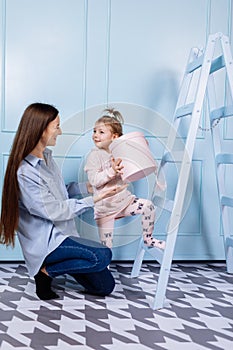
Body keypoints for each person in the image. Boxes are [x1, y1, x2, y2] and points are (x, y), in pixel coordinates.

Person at [0, 102, 121, 300]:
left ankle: (60, 265)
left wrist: (90, 188)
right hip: (47, 244)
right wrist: (95, 199)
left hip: (65, 235)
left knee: (104, 287)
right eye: (56, 126)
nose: (60, 131)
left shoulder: (47, 158)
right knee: (102, 256)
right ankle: (45, 272)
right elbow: (53, 210)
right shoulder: (26, 172)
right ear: (41, 129)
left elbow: (60, 193)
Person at [84, 108, 166, 250]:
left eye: (101, 132)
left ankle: (148, 239)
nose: (95, 135)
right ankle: (104, 269)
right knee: (106, 247)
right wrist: (111, 171)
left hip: (125, 202)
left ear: (115, 137)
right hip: (105, 209)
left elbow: (139, 164)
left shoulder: (122, 152)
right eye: (94, 131)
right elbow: (94, 181)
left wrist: (145, 155)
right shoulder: (94, 156)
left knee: (148, 206)